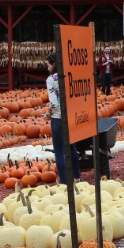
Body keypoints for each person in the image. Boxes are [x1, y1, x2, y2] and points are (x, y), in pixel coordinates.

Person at [45, 52, 81, 184]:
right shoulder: (69, 75)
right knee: (72, 147)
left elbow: (54, 103)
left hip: (58, 118)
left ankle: (65, 182)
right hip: (70, 116)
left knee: (60, 151)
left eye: (48, 65)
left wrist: (48, 114)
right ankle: (77, 176)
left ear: (54, 64)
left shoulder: (51, 79)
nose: (47, 68)